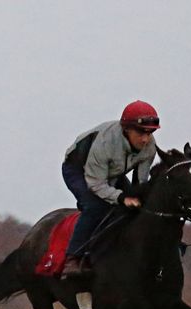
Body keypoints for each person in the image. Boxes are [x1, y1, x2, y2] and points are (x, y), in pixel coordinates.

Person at [59, 100, 160, 278]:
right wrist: (121, 198)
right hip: (79, 170)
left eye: (150, 133)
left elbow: (140, 183)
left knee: (137, 207)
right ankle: (73, 258)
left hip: (113, 172)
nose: (145, 139)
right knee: (96, 207)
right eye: (141, 132)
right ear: (126, 129)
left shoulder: (149, 146)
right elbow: (96, 184)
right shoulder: (105, 143)